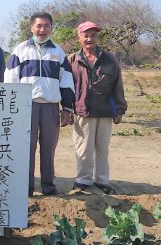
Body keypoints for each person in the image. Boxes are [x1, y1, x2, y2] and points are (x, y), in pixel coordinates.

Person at [5, 12, 75, 196]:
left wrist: (67, 108)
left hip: (51, 106)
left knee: (48, 147)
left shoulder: (58, 52)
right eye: (39, 26)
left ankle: (48, 186)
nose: (42, 29)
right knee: (26, 147)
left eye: (46, 26)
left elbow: (66, 81)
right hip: (25, 106)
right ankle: (26, 187)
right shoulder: (20, 50)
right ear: (32, 28)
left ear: (51, 28)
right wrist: (13, 108)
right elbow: (10, 79)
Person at [68, 21, 127, 194]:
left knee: (102, 148)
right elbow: (66, 87)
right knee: (83, 148)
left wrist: (120, 108)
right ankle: (83, 180)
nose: (89, 39)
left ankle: (102, 180)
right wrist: (66, 109)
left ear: (97, 37)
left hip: (105, 111)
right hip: (82, 111)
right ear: (79, 37)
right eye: (85, 35)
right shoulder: (72, 60)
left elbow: (118, 85)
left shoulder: (110, 59)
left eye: (93, 35)